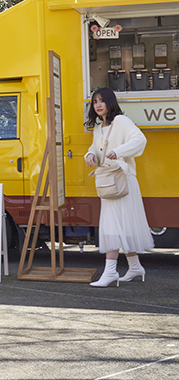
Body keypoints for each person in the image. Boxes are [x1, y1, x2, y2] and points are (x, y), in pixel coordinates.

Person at [84, 87, 152, 287]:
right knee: (119, 225)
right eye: (95, 101)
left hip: (123, 180)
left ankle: (111, 271)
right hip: (108, 182)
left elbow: (140, 139)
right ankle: (135, 267)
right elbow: (96, 148)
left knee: (112, 226)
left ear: (110, 102)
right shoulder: (99, 127)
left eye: (101, 101)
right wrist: (90, 154)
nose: (98, 105)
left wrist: (119, 151)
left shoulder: (121, 121)